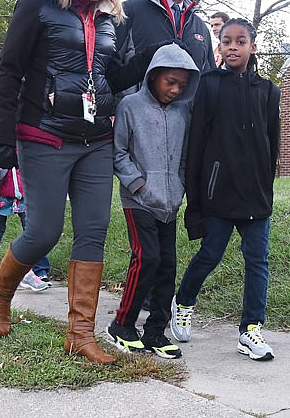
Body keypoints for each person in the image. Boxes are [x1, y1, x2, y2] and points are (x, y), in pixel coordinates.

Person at [0, 0, 150, 365]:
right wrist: (1, 136)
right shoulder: (37, 4)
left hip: (95, 139)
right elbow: (9, 73)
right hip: (43, 134)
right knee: (44, 231)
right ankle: (0, 290)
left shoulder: (111, 18)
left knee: (93, 231)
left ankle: (80, 333)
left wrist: (147, 57)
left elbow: (109, 78)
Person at [171, 18, 281, 361]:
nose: (233, 47)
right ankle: (183, 301)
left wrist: (266, 183)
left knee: (257, 261)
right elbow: (196, 144)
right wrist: (196, 198)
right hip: (217, 194)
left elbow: (272, 143)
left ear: (253, 46)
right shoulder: (209, 85)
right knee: (210, 254)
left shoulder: (268, 91)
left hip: (256, 196)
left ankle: (250, 330)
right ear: (218, 47)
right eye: (226, 41)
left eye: (240, 41)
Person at [105, 43, 199, 360]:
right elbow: (118, 153)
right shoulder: (130, 106)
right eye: (169, 82)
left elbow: (185, 158)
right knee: (147, 258)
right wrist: (139, 185)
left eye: (182, 86)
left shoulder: (183, 113)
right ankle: (122, 325)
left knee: (167, 266)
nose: (174, 90)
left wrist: (180, 186)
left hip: (170, 203)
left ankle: (156, 332)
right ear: (153, 76)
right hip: (138, 200)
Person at [116, 0, 215, 91]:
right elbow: (109, 69)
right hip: (135, 111)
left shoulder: (201, 28)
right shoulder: (130, 11)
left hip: (187, 113)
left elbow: (208, 80)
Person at [0, 109, 50, 293]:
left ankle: (29, 272)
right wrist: (6, 116)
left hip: (24, 185)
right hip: (2, 185)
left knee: (31, 230)